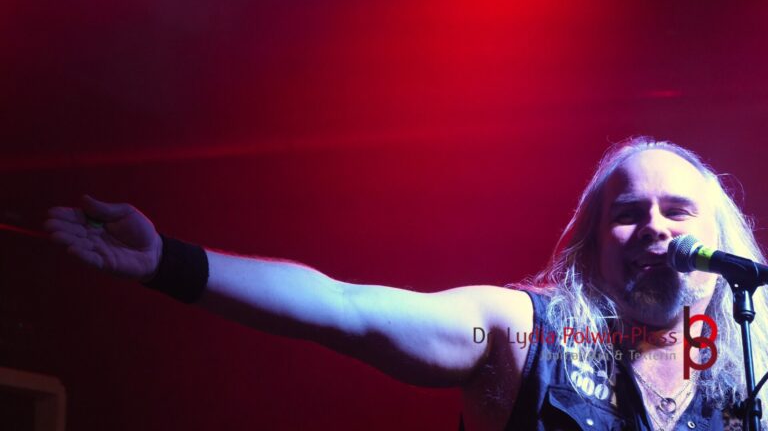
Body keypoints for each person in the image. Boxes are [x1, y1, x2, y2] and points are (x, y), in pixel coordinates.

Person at [44, 137, 768, 430]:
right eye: (628, 213)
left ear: (720, 239)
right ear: (592, 244)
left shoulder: (749, 366)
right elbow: (344, 308)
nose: (654, 227)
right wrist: (169, 261)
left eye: (677, 211)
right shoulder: (522, 332)